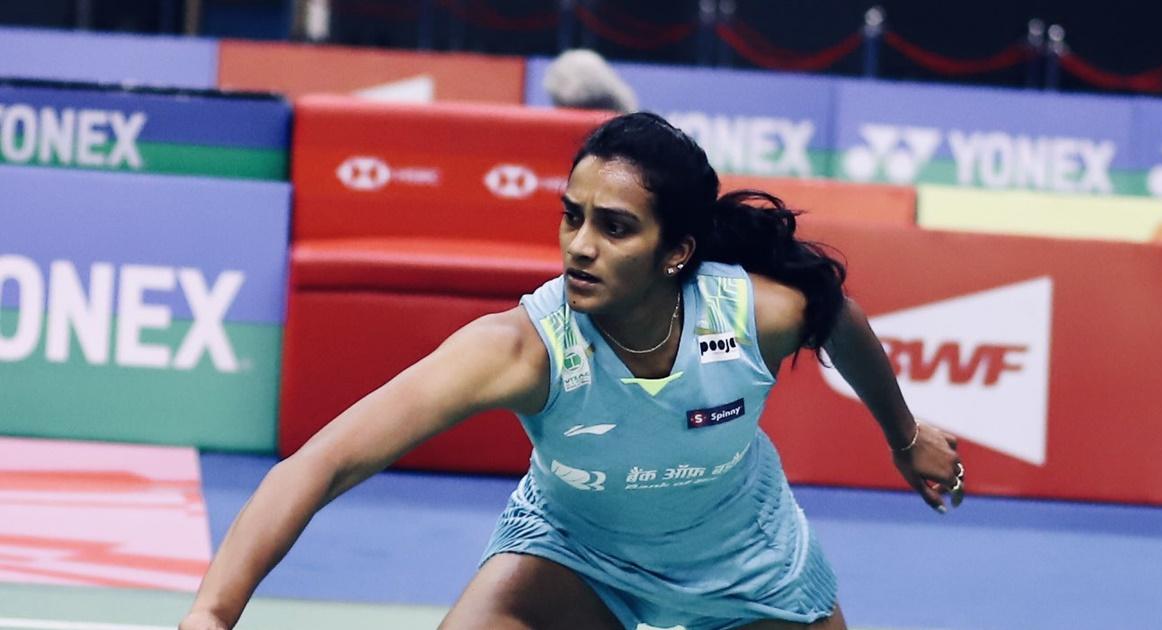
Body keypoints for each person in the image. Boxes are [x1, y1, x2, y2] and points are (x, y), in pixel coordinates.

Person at [180, 112, 965, 630]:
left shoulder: (752, 314)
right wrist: (212, 614)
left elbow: (841, 319)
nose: (580, 246)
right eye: (572, 216)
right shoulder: (523, 348)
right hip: (575, 557)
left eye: (615, 228)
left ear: (677, 251)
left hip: (746, 566)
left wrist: (904, 437)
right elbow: (323, 462)